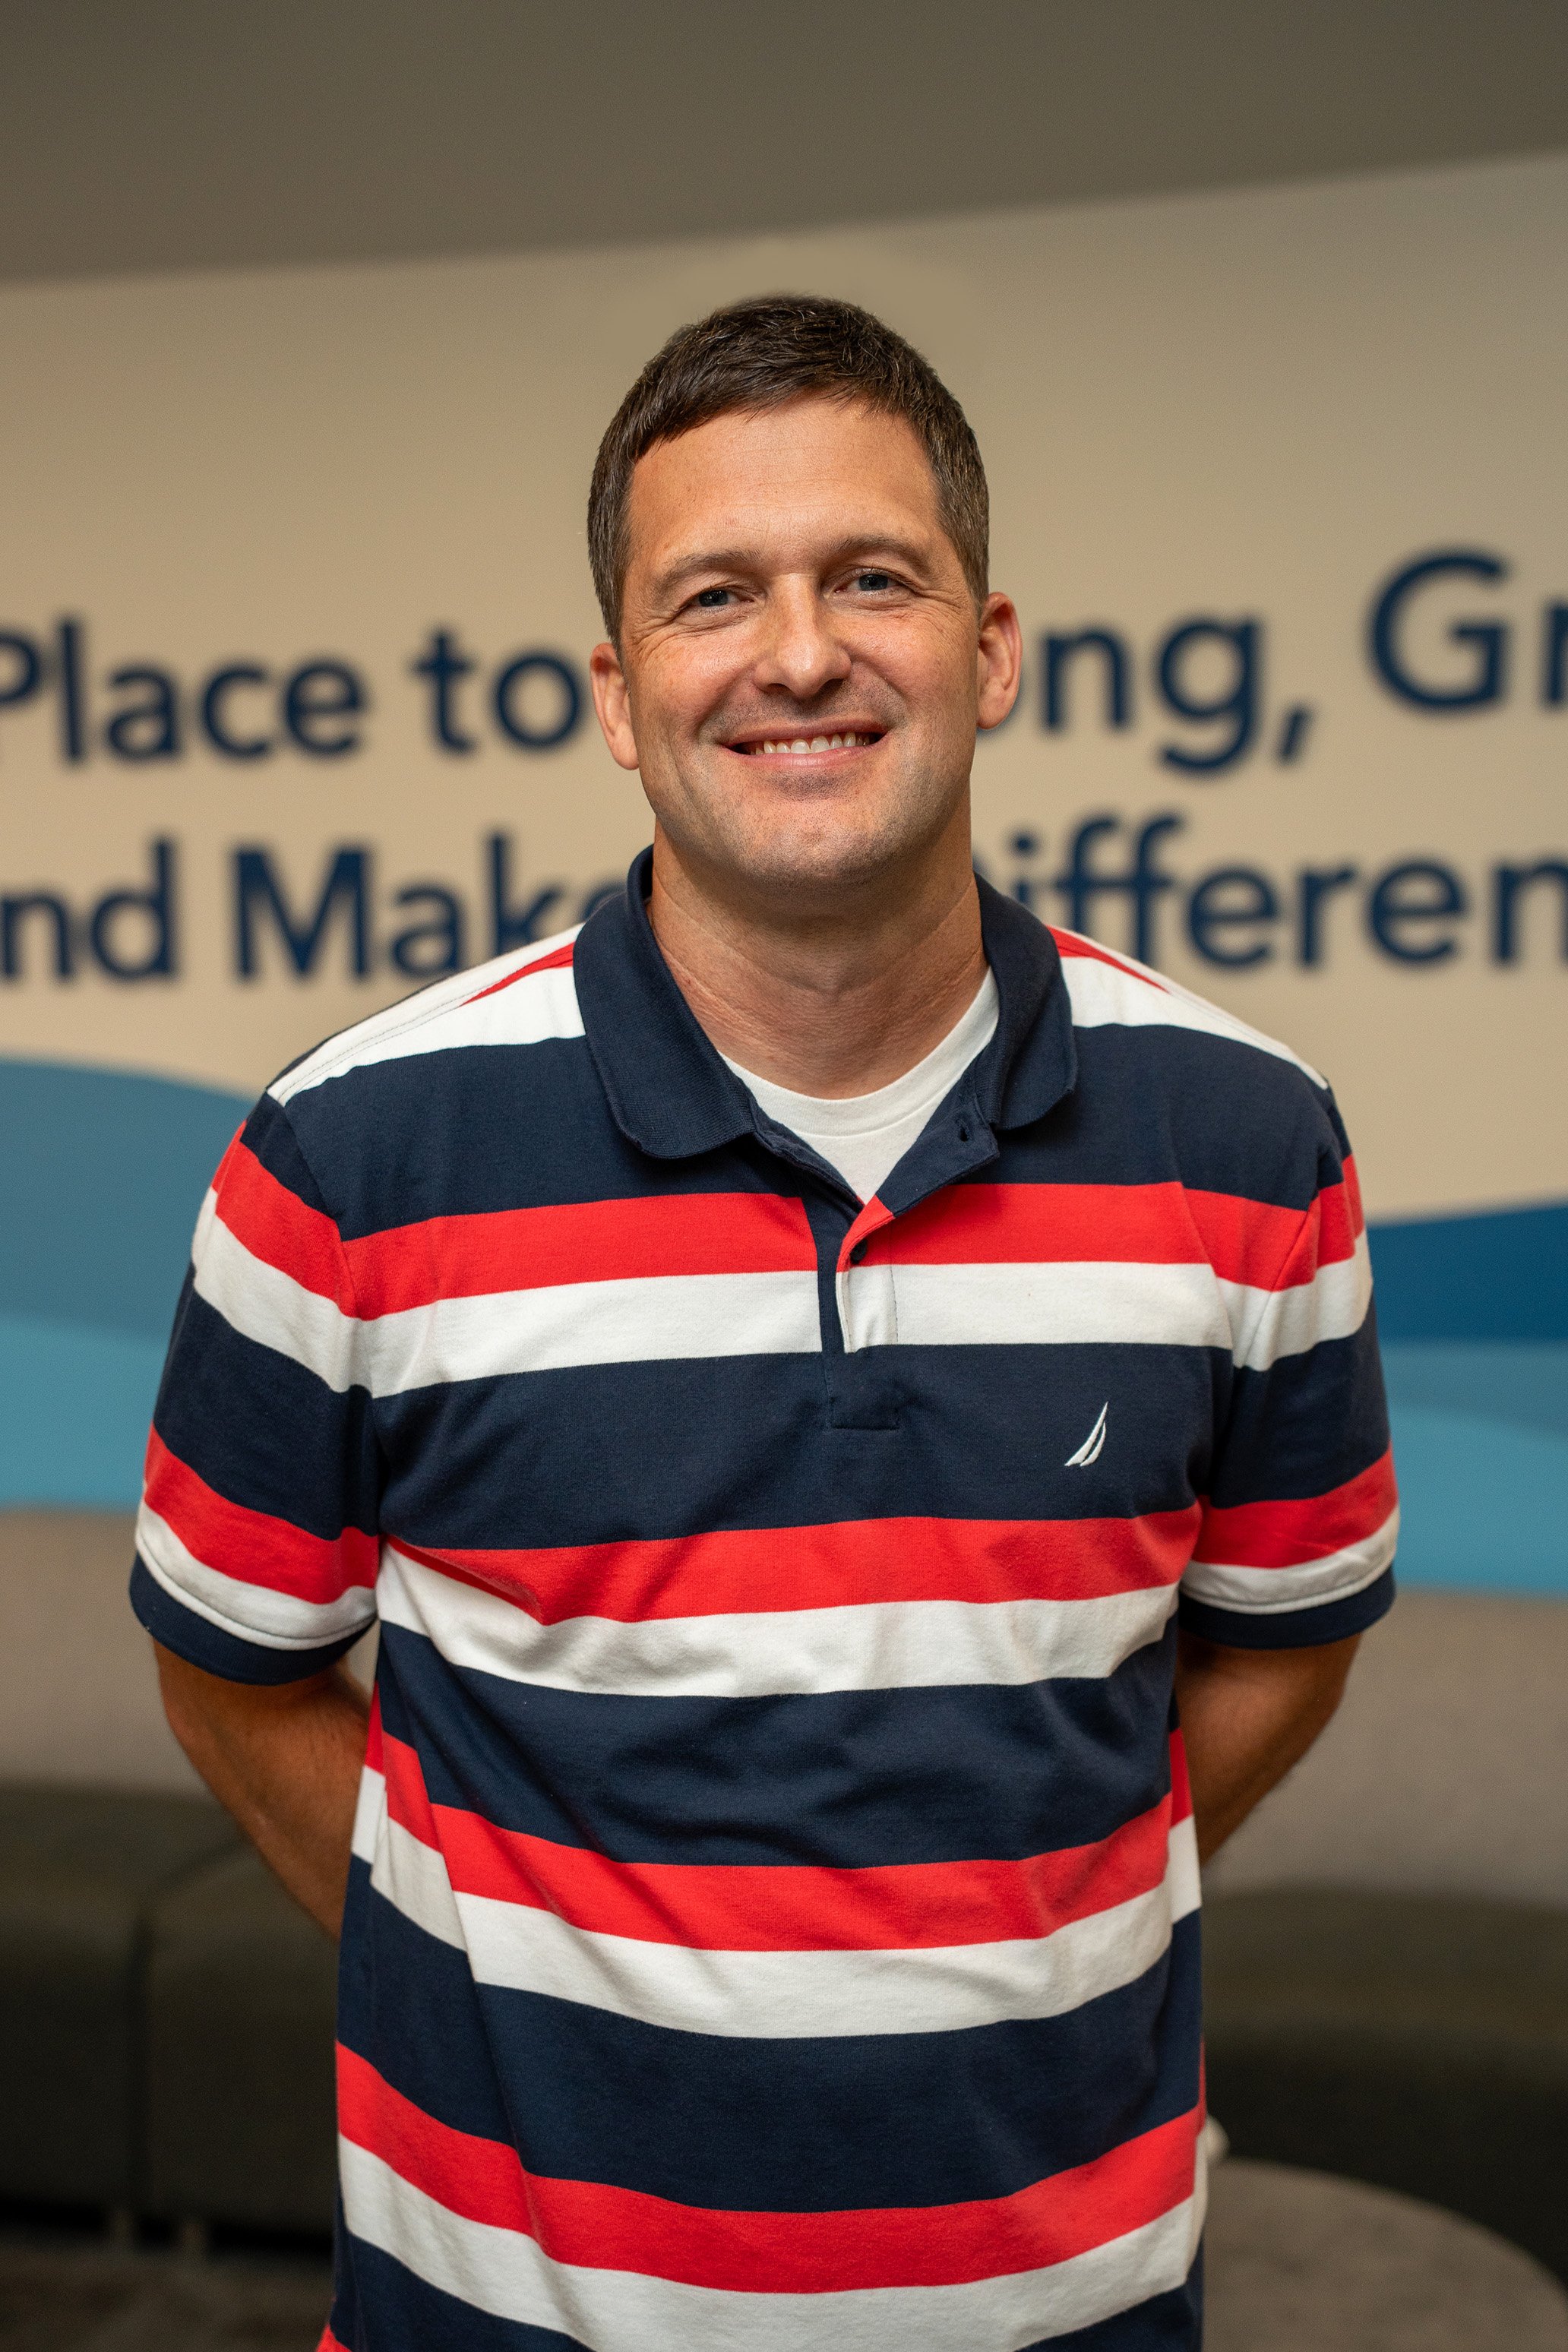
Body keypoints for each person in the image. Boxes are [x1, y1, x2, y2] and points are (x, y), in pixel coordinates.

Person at [135, 295, 1397, 2352]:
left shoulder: (1248, 1141)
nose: (799, 650)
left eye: (871, 577)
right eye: (716, 595)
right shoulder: (347, 1156)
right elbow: (234, 1681)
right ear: (624, 699)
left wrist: (1017, 1902)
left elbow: (1289, 1640)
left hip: (1062, 2309)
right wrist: (490, 1987)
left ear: (990, 649)